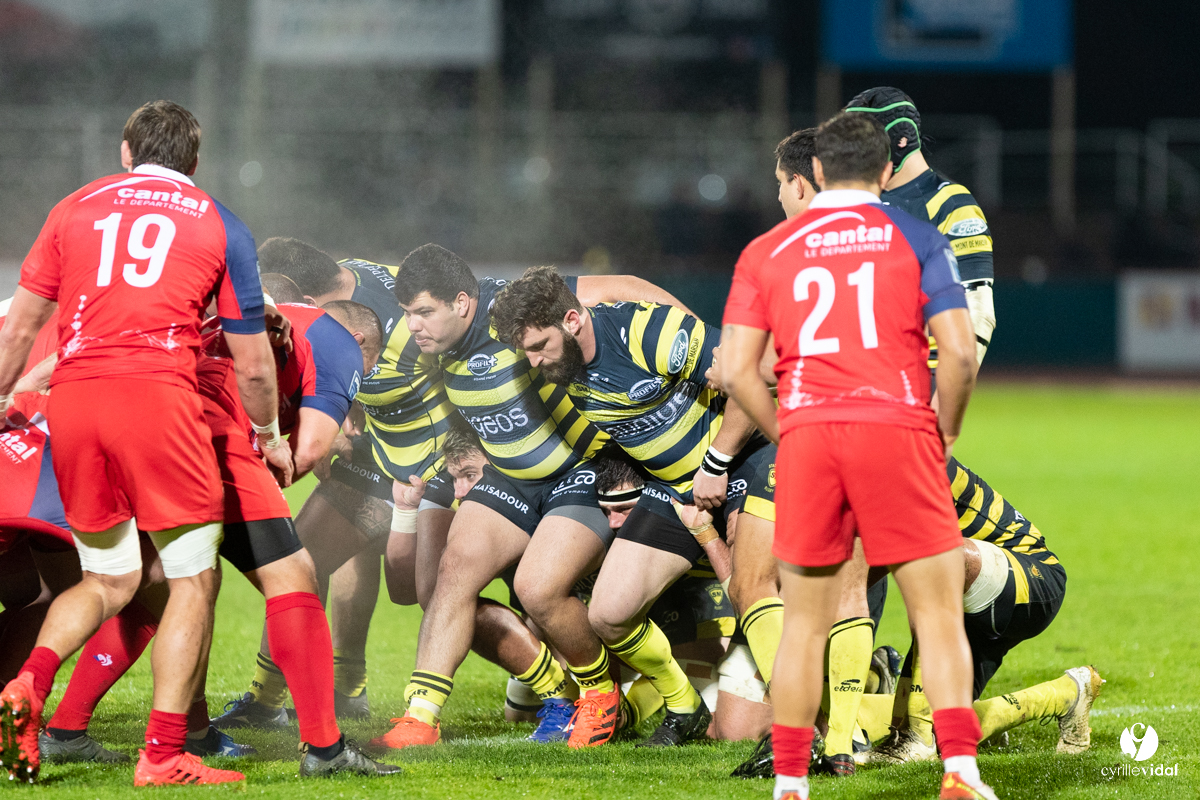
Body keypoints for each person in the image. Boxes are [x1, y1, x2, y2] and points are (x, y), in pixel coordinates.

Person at [0, 100, 289, 786]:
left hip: (74, 402)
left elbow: (20, 328)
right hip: (157, 399)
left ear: (126, 152)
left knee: (108, 578)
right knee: (192, 577)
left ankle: (27, 685)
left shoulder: (74, 206)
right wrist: (270, 436)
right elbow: (252, 364)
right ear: (195, 161)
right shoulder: (219, 221)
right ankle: (162, 754)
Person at [719, 112, 996, 800]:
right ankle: (960, 773)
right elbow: (960, 354)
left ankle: (790, 781)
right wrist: (945, 431)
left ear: (816, 171)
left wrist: (787, 430)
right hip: (898, 432)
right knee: (937, 616)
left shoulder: (767, 250)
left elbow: (737, 370)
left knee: (803, 623)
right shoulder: (919, 237)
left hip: (812, 441)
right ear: (885, 171)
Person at [37, 300, 399, 777]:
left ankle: (61, 724)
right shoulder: (339, 342)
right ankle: (325, 750)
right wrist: (274, 473)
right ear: (361, 342)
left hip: (132, 427)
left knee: (151, 586)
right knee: (293, 578)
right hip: (209, 439)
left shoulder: (230, 320)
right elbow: (310, 449)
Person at [373, 243, 693, 750]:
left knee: (538, 590)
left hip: (579, 471)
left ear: (462, 303)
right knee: (451, 574)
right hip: (511, 477)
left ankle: (599, 695)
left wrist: (693, 334)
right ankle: (421, 717)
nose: (413, 325)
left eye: (424, 312)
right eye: (407, 313)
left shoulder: (512, 305)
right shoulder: (429, 348)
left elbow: (623, 286)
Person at [491, 265, 774, 748]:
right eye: (526, 351)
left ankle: (822, 717)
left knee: (753, 602)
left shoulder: (645, 332)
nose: (534, 361)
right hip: (678, 490)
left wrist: (717, 461)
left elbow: (750, 372)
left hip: (743, 465)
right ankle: (682, 706)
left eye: (539, 345)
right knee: (609, 613)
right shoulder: (563, 366)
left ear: (573, 321)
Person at [219, 240, 456, 726]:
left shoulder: (403, 323)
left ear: (309, 301)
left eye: (287, 308)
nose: (282, 321)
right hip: (377, 456)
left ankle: (559, 687)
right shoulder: (346, 282)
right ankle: (300, 694)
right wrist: (343, 419)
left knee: (441, 589)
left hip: (432, 469)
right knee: (305, 558)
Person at [845, 87, 996, 366]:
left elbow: (978, 311)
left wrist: (940, 387)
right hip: (861, 377)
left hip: (917, 382)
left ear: (901, 139)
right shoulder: (854, 203)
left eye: (863, 139)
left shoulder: (951, 203)